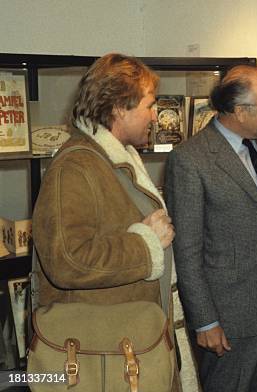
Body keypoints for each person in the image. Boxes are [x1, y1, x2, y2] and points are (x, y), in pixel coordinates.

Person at [31, 53, 181, 391]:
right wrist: (145, 244)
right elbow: (67, 260)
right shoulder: (75, 167)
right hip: (97, 355)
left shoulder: (112, 160)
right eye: (148, 105)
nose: (155, 115)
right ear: (118, 108)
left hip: (124, 345)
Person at [165, 65, 257, 391]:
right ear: (240, 111)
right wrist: (205, 320)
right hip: (228, 315)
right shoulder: (190, 160)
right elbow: (187, 250)